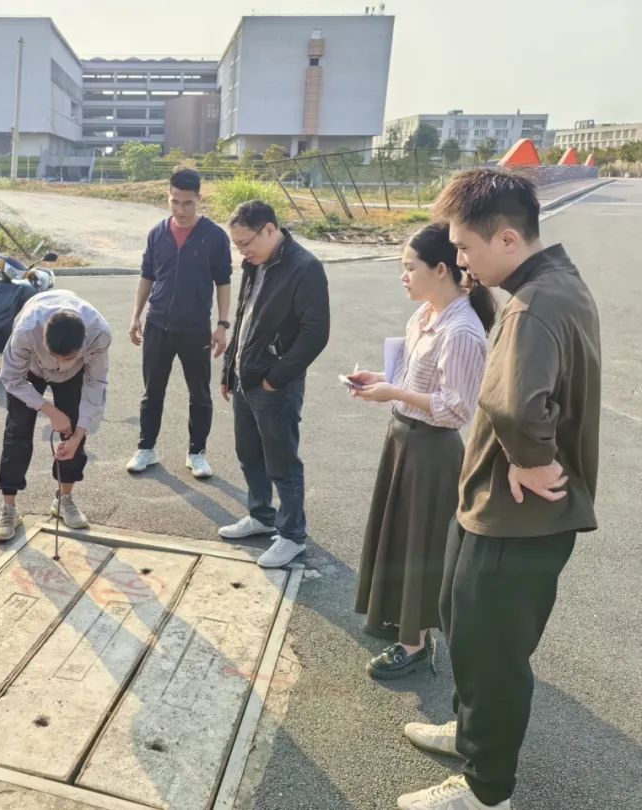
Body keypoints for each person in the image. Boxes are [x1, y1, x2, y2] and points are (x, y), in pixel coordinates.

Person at [398, 169, 601, 810]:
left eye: (465, 247)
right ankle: (471, 732)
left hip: (520, 516)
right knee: (465, 624)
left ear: (508, 238)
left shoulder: (535, 304)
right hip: (495, 509)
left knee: (493, 651)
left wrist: (530, 459)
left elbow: (515, 406)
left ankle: (486, 791)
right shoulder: (551, 285)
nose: (460, 260)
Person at [349, 223, 494, 680]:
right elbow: (414, 379)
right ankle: (395, 618)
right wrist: (381, 381)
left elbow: (456, 408)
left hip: (432, 449)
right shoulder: (425, 316)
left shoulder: (462, 330)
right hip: (404, 438)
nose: (404, 276)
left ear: (441, 269)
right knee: (397, 534)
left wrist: (394, 391)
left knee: (421, 546)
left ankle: (414, 644)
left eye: (410, 267)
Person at [220, 200, 329, 568]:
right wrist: (228, 370)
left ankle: (292, 534)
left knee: (282, 461)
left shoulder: (305, 268)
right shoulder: (255, 263)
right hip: (245, 377)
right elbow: (243, 317)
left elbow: (315, 333)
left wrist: (275, 378)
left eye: (245, 243)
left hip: (274, 385)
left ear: (269, 229)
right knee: (249, 454)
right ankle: (261, 516)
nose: (242, 251)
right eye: (237, 245)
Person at [126, 168, 232, 478]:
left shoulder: (214, 236)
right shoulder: (157, 233)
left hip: (195, 327)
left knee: (199, 393)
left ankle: (197, 453)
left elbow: (223, 281)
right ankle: (146, 448)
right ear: (168, 197)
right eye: (175, 202)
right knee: (152, 392)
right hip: (158, 324)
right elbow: (147, 276)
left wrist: (222, 324)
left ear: (199, 198)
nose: (181, 210)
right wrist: (136, 315)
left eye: (188, 203)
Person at [0, 289, 111, 542]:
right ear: (43, 338)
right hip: (30, 371)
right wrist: (50, 410)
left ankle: (64, 499)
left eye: (68, 357)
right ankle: (9, 508)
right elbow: (11, 378)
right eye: (55, 356)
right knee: (17, 431)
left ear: (83, 343)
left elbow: (96, 383)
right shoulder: (26, 331)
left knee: (73, 432)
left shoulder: (99, 334)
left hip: (73, 376)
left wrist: (78, 433)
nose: (59, 362)